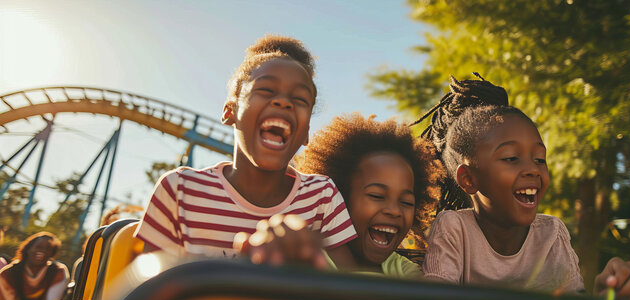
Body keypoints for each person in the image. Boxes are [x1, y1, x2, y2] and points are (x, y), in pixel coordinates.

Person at [135, 35, 357, 268]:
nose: (283, 102)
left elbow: (350, 289)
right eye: (267, 90)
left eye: (299, 98)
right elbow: (143, 292)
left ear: (306, 133)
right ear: (230, 111)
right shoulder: (180, 189)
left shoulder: (321, 197)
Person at [419, 74, 630, 299]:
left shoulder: (551, 233)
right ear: (468, 178)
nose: (533, 170)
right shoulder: (454, 228)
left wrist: (607, 299)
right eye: (511, 158)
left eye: (539, 159)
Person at [297, 113, 443, 277]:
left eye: (406, 202)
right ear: (336, 200)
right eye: (377, 196)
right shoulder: (309, 260)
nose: (394, 211)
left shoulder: (403, 271)